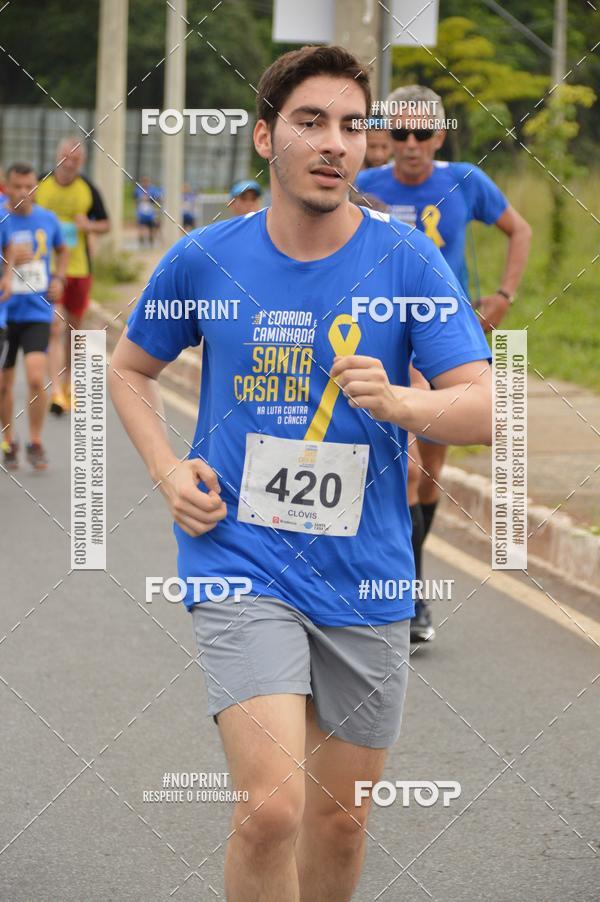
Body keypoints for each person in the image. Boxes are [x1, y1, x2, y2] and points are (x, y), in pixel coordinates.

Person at [110, 46, 492, 902]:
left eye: (353, 127)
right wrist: (168, 468)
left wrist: (397, 402)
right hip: (239, 557)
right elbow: (127, 369)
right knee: (274, 809)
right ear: (263, 138)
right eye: (311, 122)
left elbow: (485, 409)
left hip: (366, 569)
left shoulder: (408, 263)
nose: (335, 144)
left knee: (340, 822)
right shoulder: (204, 258)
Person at [356, 85, 531, 642]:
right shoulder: (367, 183)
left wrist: (503, 296)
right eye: (399, 134)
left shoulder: (466, 183)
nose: (409, 146)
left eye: (421, 134)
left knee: (430, 473)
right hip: (389, 334)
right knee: (405, 468)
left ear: (438, 135)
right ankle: (403, 592)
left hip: (445, 342)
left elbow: (519, 230)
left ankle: (413, 579)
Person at [36, 136, 110, 416]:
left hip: (79, 268)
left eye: (76, 160)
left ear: (83, 162)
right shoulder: (41, 183)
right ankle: (56, 391)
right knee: (54, 326)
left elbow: (106, 224)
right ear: (58, 156)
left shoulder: (88, 189)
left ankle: (69, 382)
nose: (70, 163)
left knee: (74, 329)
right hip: (47, 269)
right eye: (67, 157)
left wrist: (89, 225)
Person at [0, 163, 68, 469]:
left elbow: (63, 250)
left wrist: (60, 279)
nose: (23, 193)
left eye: (29, 186)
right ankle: (9, 440)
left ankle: (36, 441)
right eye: (17, 186)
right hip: (4, 313)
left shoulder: (47, 219)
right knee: (3, 384)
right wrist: (8, 260)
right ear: (7, 186)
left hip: (37, 310)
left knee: (37, 377)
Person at [134, 175, 162, 246]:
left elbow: (157, 199)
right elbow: (135, 200)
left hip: (150, 212)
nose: (145, 183)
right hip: (141, 211)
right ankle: (141, 241)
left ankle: (151, 240)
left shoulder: (153, 190)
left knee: (151, 227)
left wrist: (157, 211)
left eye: (147, 181)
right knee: (141, 226)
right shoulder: (138, 190)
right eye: (144, 181)